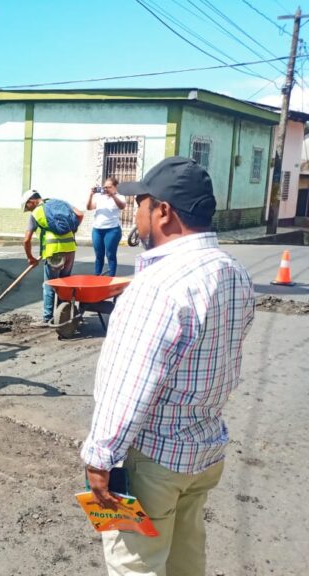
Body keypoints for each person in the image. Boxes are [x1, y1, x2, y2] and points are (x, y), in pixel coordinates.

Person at [80, 157, 255, 576]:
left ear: (163, 211)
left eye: (140, 203)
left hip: (155, 459)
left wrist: (100, 457)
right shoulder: (233, 272)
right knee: (185, 555)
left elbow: (130, 384)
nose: (134, 213)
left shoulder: (158, 286)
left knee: (135, 565)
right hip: (204, 450)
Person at [21, 189, 83, 326]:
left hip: (55, 253)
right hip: (70, 250)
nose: (28, 210)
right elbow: (79, 214)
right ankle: (62, 316)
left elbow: (26, 240)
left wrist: (30, 257)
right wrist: (73, 228)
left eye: (27, 207)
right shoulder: (58, 203)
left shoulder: (36, 213)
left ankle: (47, 318)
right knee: (64, 283)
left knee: (49, 285)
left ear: (32, 201)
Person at [86, 176, 125, 276]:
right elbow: (89, 207)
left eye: (109, 187)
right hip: (97, 230)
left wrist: (113, 196)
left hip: (112, 230)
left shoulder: (120, 196)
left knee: (110, 254)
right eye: (105, 187)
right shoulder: (100, 197)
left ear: (115, 187)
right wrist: (91, 195)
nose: (106, 189)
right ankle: (97, 276)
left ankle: (111, 277)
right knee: (99, 255)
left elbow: (122, 206)